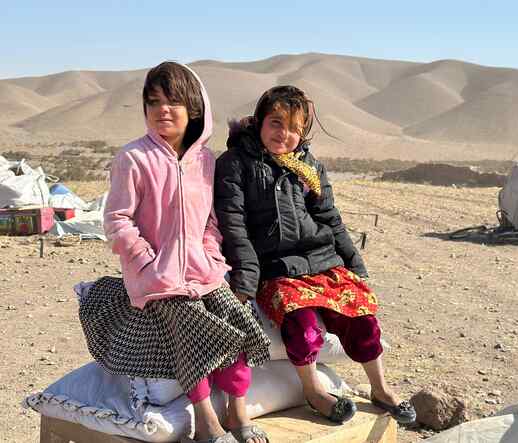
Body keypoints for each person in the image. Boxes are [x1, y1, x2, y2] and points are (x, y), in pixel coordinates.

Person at [78, 62, 270, 443]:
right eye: (153, 101)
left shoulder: (206, 161)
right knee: (192, 330)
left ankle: (236, 412)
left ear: (194, 109)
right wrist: (148, 264)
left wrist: (213, 257)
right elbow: (117, 221)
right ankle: (205, 424)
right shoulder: (133, 158)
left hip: (204, 272)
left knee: (240, 324)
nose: (162, 109)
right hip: (156, 278)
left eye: (173, 101)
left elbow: (211, 221)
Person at [214, 85, 416, 425]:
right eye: (276, 122)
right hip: (275, 267)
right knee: (303, 325)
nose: (284, 134)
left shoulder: (309, 166)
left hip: (323, 262)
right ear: (260, 121)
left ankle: (380, 388)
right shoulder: (235, 164)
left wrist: (355, 265)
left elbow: (330, 218)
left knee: (362, 318)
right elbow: (234, 225)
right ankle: (312, 390)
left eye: (294, 128)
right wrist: (246, 278)